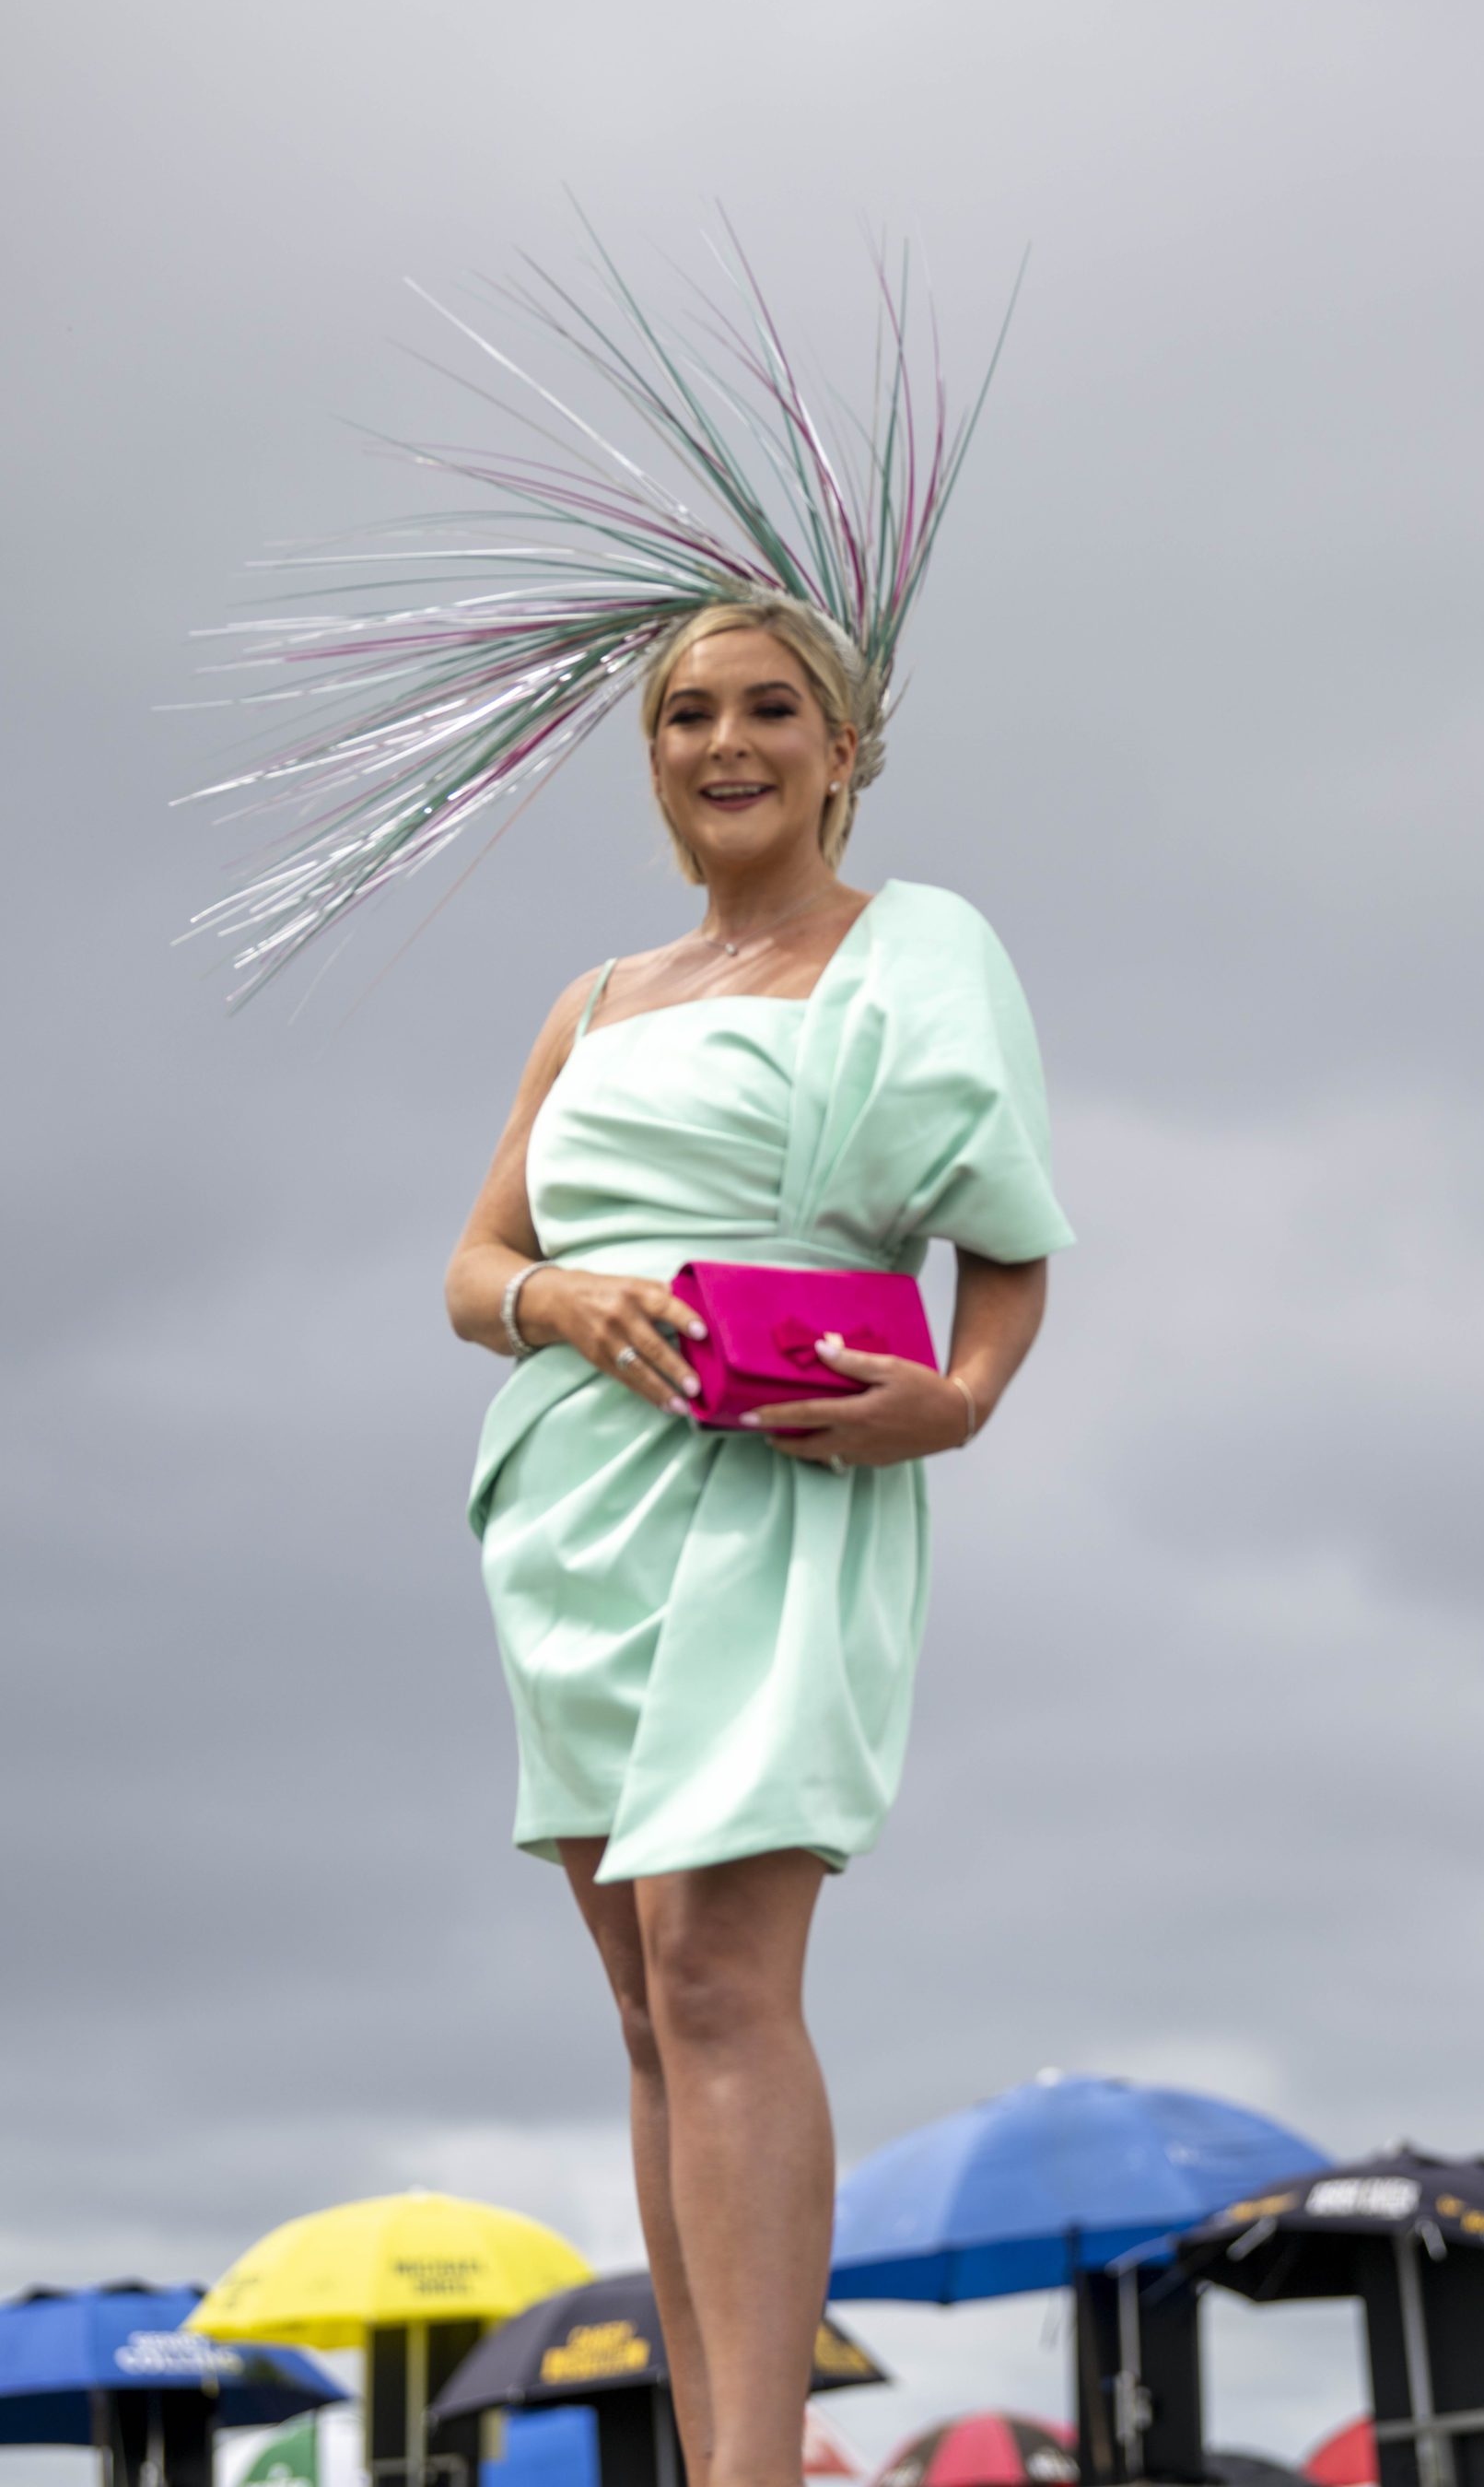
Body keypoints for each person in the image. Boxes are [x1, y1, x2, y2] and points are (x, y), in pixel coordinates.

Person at [444, 592, 1073, 2487]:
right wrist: (560, 1304)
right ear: (653, 758)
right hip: (575, 1503)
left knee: (721, 1970)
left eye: (771, 709)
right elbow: (476, 1265)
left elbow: (1011, 1246)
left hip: (788, 1474)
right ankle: (716, 2447)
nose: (728, 742)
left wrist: (960, 1400)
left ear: (842, 748)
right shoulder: (593, 1002)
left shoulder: (917, 954)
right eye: (689, 715)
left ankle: (753, 2470)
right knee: (650, 2006)